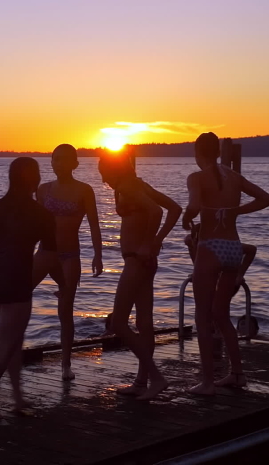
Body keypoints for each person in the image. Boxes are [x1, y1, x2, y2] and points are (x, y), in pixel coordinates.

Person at [183, 132, 269, 395]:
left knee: (203, 316)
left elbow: (194, 204)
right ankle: (237, 374)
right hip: (233, 247)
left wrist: (186, 219)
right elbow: (267, 198)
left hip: (210, 246)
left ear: (196, 152)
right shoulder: (234, 177)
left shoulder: (196, 177)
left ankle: (208, 382)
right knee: (221, 315)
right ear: (219, 153)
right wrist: (236, 211)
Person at [0, 157, 57, 421]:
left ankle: (17, 397)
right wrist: (63, 283)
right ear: (35, 179)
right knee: (6, 346)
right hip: (16, 283)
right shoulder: (41, 213)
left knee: (13, 341)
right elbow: (50, 255)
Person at [98, 151, 181, 400]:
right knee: (144, 325)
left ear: (114, 170)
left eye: (104, 174)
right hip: (144, 261)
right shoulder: (137, 184)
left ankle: (156, 378)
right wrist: (155, 242)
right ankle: (142, 381)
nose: (104, 181)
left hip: (136, 260)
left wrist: (150, 242)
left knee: (119, 323)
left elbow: (157, 212)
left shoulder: (128, 186)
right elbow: (175, 209)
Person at [30, 144, 104, 381]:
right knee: (17, 294)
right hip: (45, 253)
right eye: (54, 159)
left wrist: (98, 254)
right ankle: (4, 347)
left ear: (74, 163)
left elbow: (94, 224)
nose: (57, 163)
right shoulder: (43, 190)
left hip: (69, 256)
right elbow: (35, 225)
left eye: (62, 159)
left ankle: (65, 364)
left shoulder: (84, 190)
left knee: (66, 310)